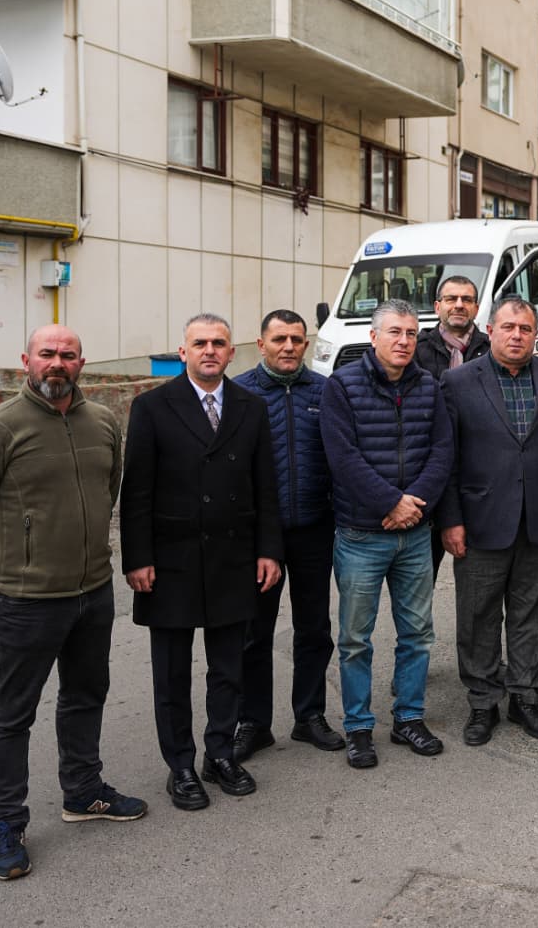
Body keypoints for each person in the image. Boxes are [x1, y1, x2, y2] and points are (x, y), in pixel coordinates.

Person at [0, 325, 145, 880]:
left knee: (85, 696)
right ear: (26, 360)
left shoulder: (102, 422)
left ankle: (83, 791)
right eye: (47, 354)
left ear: (82, 362)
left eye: (68, 355)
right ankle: (7, 823)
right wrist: (14, 560)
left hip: (93, 591)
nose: (57, 363)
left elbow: (108, 490)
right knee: (12, 714)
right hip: (26, 600)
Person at [121, 314, 283, 811]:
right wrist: (138, 558)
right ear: (183, 352)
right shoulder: (152, 407)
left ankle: (220, 754)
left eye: (218, 343)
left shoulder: (251, 407)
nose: (209, 351)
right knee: (171, 674)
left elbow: (265, 486)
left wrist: (269, 549)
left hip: (233, 557)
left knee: (228, 669)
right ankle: (180, 766)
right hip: (171, 560)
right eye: (200, 343)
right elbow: (136, 490)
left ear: (233, 352)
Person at [321, 300, 454, 768]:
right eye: (395, 332)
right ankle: (358, 727)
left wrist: (413, 503)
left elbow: (442, 450)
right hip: (361, 535)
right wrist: (390, 503)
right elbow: (343, 458)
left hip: (414, 533)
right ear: (374, 336)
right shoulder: (342, 386)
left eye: (412, 333)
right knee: (355, 639)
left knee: (417, 633)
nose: (404, 341)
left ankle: (409, 719)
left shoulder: (429, 386)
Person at [439, 296, 538, 746]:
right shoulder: (458, 381)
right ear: (490, 330)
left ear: (536, 335)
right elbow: (447, 457)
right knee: (477, 616)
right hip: (479, 521)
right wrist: (451, 519)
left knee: (531, 614)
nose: (517, 335)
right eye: (509, 327)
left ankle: (524, 697)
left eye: (526, 329)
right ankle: (482, 702)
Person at [229, 310, 343, 763]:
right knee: (254, 633)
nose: (289, 347)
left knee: (314, 629)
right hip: (261, 535)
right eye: (279, 339)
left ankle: (309, 716)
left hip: (315, 526)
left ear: (306, 344)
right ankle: (253, 722)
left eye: (297, 339)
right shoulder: (239, 393)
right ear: (261, 344)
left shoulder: (325, 390)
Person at [414, 275, 488, 576]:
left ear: (476, 308)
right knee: (421, 580)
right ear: (437, 306)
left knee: (479, 579)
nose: (459, 305)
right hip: (429, 476)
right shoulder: (416, 350)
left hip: (478, 476)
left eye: (466, 299)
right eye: (451, 299)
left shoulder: (492, 350)